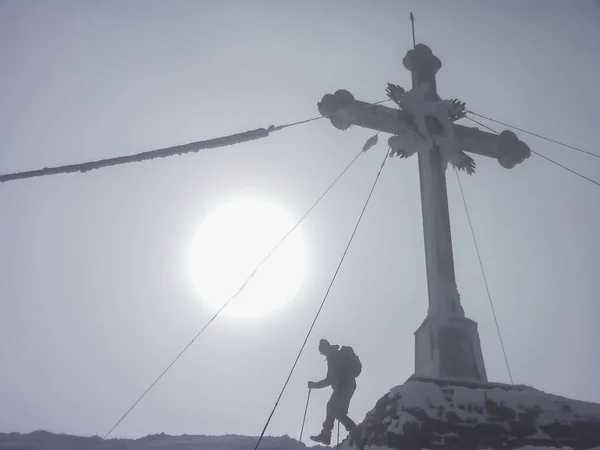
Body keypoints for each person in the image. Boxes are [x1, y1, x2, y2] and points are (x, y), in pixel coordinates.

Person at [308, 339, 361, 445]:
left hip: (344, 385)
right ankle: (354, 430)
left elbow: (330, 379)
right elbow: (330, 379)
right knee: (337, 412)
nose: (323, 354)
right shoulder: (333, 357)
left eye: (323, 352)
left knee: (332, 407)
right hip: (346, 386)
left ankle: (327, 434)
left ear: (326, 348)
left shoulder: (335, 356)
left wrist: (315, 385)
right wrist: (315, 385)